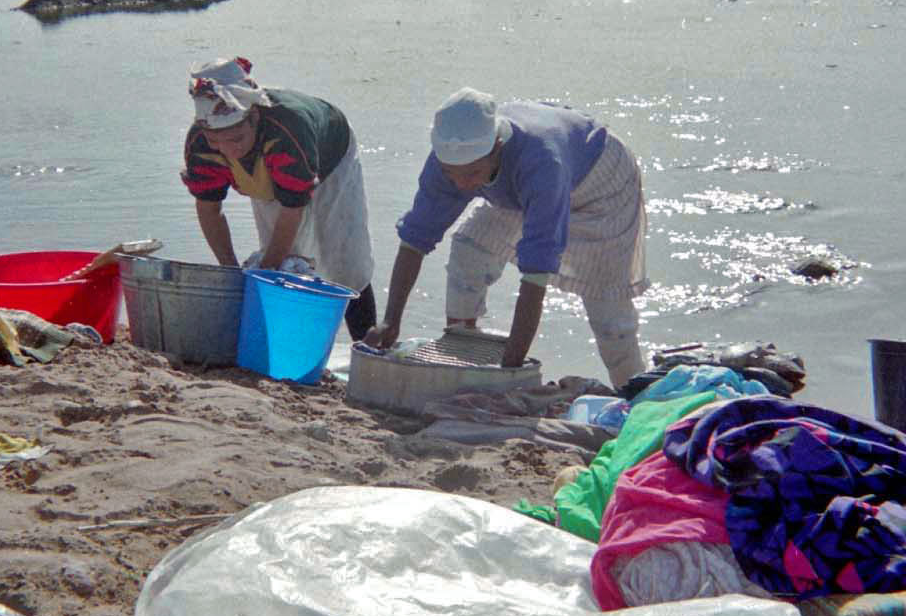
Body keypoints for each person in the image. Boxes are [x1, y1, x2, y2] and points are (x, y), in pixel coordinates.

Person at [364, 87, 649, 387]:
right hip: (514, 186)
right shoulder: (449, 160)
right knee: (469, 250)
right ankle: (461, 353)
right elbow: (415, 238)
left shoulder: (541, 164)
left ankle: (633, 393)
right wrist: (390, 320)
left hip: (600, 185)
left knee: (609, 319)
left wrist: (514, 358)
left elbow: (536, 270)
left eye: (471, 174)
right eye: (451, 174)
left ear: (497, 145)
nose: (461, 185)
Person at [180, 56, 377, 339]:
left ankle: (366, 344)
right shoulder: (201, 143)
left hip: (330, 156)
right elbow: (209, 209)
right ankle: (288, 339)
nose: (227, 151)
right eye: (215, 141)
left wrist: (268, 269)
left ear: (255, 117)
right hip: (267, 177)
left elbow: (293, 208)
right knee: (288, 265)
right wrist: (231, 271)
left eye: (236, 139)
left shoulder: (287, 130)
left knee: (345, 262)